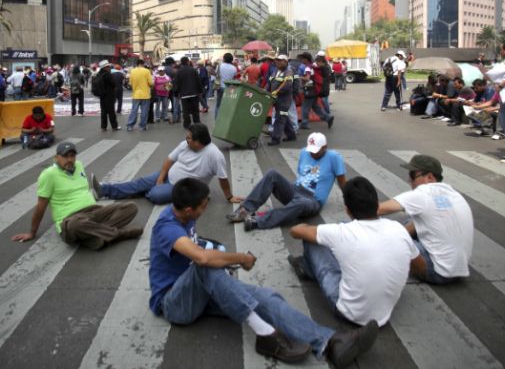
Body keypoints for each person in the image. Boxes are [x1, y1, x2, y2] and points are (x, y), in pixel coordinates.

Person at [149, 177, 380, 367]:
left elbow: (200, 248)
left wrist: (223, 258)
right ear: (189, 210)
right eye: (203, 205)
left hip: (197, 292)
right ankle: (265, 334)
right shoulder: (166, 227)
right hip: (174, 303)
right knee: (206, 266)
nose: (207, 207)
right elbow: (201, 258)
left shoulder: (185, 217)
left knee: (265, 297)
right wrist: (240, 258)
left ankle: (331, 342)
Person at [288, 176, 420, 326]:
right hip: (384, 315)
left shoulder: (342, 232)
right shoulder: (398, 229)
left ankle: (306, 268)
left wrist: (309, 227)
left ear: (348, 210)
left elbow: (295, 231)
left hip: (349, 313)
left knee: (312, 241)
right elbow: (420, 265)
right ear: (377, 205)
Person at [11, 142, 143, 250]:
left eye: (72, 156)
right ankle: (119, 234)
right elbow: (41, 205)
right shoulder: (48, 175)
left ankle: (95, 236)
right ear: (56, 158)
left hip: (94, 211)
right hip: (71, 219)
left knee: (131, 207)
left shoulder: (78, 165)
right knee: (76, 225)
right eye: (65, 156)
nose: (69, 160)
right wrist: (32, 232)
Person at [377, 155, 474, 284]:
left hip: (436, 271)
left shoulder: (423, 193)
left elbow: (377, 209)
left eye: (412, 176)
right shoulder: (454, 194)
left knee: (390, 237)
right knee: (412, 222)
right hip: (458, 270)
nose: (409, 181)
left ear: (429, 177)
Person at [92, 124, 241, 205]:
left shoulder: (215, 155)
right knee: (140, 182)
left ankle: (145, 191)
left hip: (183, 188)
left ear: (199, 141)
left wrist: (229, 197)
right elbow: (169, 159)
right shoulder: (185, 144)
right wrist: (160, 178)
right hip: (168, 175)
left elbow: (223, 178)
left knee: (156, 196)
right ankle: (104, 190)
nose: (186, 140)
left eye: (190, 138)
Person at [228, 132, 346, 231]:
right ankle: (245, 209)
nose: (312, 153)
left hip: (312, 200)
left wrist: (350, 202)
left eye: (316, 151)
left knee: (302, 203)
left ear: (325, 147)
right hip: (296, 189)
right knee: (272, 174)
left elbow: (342, 182)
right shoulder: (305, 152)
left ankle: (257, 221)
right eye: (311, 150)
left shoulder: (334, 157)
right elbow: (301, 175)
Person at [266, 54, 297, 146]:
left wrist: (276, 92)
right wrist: (267, 91)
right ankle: (291, 135)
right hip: (276, 99)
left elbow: (287, 85)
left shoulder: (289, 71)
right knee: (283, 117)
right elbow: (270, 82)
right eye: (277, 60)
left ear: (285, 62)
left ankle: (275, 138)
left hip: (284, 99)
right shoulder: (275, 71)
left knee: (280, 118)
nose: (278, 62)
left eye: (280, 60)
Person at [173, 56, 203, 128]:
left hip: (184, 94)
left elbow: (176, 83)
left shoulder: (179, 72)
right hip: (194, 93)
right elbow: (198, 81)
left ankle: (187, 123)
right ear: (188, 62)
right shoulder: (193, 70)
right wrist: (200, 91)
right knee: (195, 109)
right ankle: (197, 122)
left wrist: (176, 93)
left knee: (185, 110)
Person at [127, 59, 153, 131]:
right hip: (145, 94)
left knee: (134, 110)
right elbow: (151, 83)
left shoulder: (132, 71)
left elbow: (130, 83)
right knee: (144, 111)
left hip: (135, 94)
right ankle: (142, 126)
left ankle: (130, 125)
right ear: (143, 64)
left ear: (137, 64)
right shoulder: (147, 71)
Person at [96, 60, 120, 132]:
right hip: (109, 95)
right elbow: (113, 83)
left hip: (102, 95)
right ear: (105, 67)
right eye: (108, 66)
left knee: (103, 112)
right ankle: (114, 126)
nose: (109, 67)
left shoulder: (98, 74)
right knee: (111, 112)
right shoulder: (107, 74)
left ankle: (103, 127)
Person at [215, 53, 238, 119]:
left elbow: (217, 75)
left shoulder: (219, 66)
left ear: (224, 58)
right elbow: (234, 78)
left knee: (218, 105)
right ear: (231, 60)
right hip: (229, 88)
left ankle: (217, 119)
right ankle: (226, 118)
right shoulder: (234, 68)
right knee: (228, 104)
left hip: (220, 87)